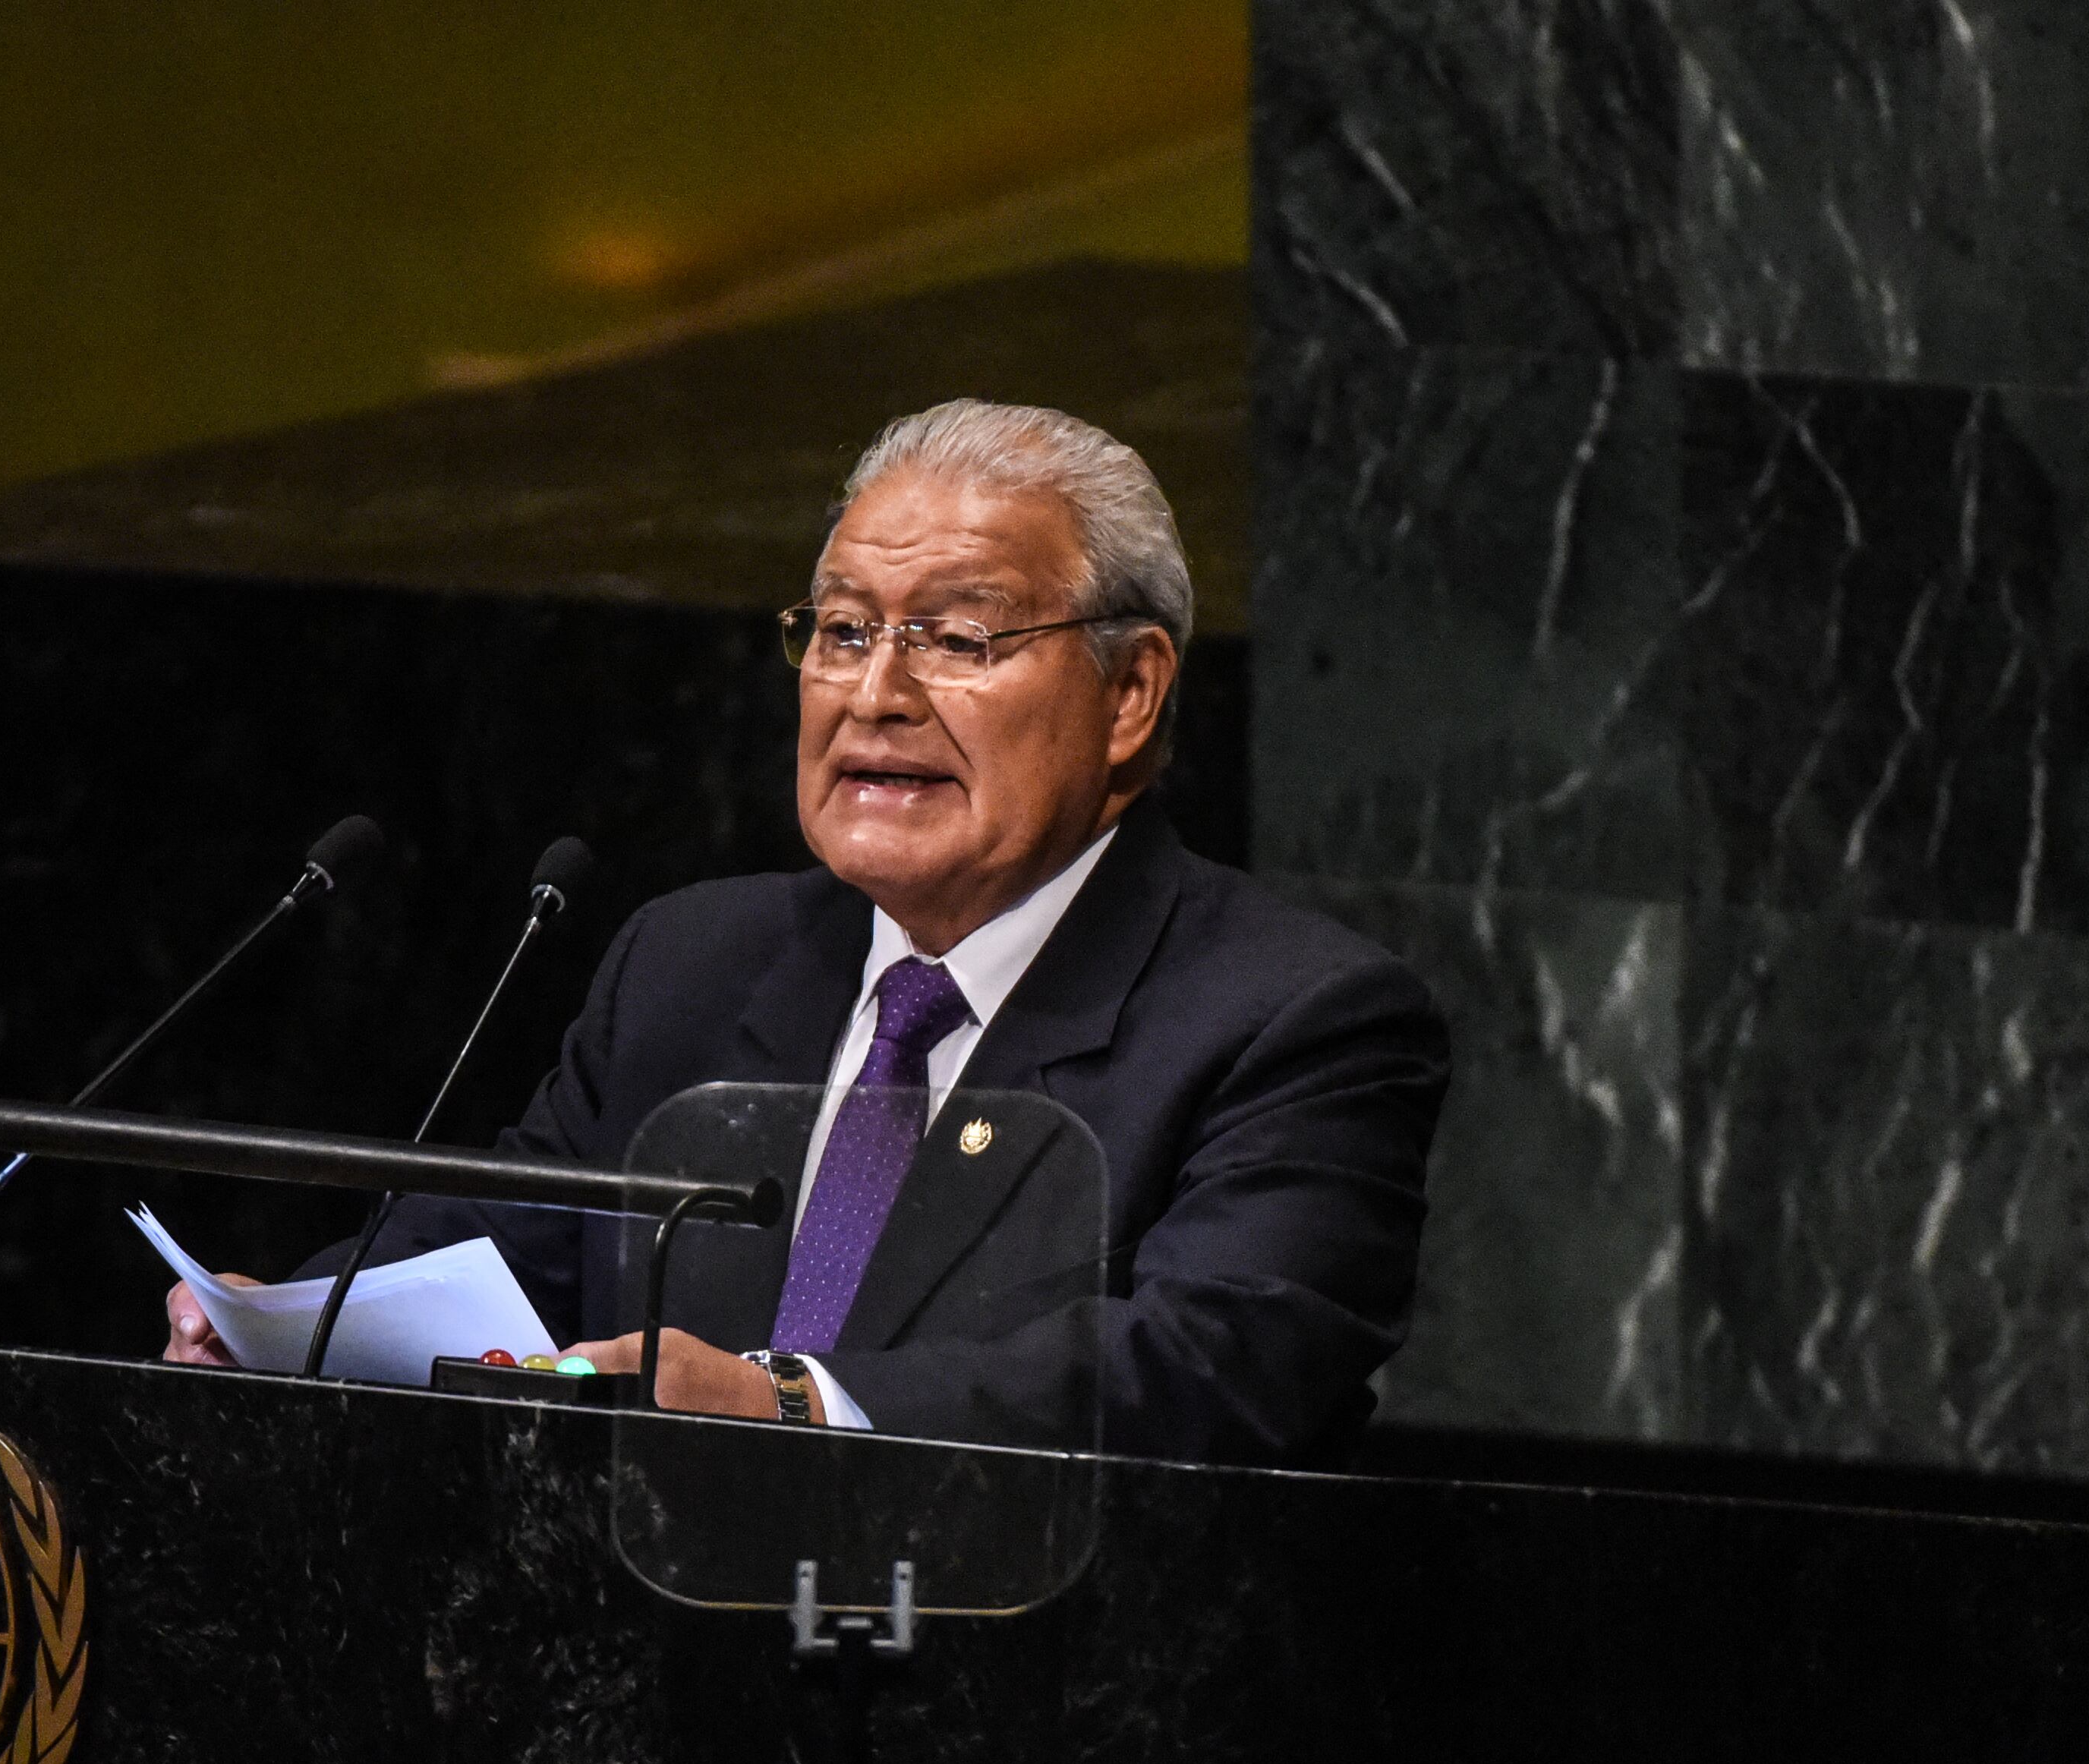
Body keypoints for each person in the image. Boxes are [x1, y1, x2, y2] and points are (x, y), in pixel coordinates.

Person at [166, 399, 1448, 1469]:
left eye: (957, 636)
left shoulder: (1294, 1019)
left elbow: (1209, 1371)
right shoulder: (693, 961)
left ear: (1131, 694)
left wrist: (789, 1401)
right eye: (841, 630)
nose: (876, 695)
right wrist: (286, 1319)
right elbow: (518, 1243)